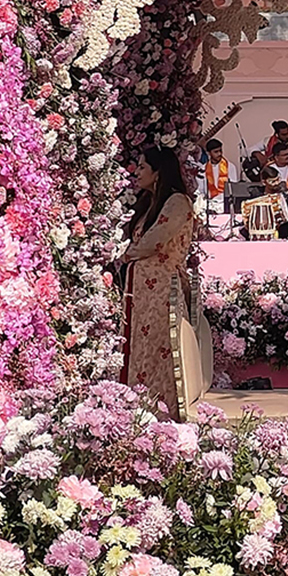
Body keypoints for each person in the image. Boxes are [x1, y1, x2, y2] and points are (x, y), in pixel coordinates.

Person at [122, 146, 195, 412]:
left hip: (161, 292)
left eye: (142, 167)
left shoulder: (177, 202)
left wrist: (125, 255)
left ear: (158, 172)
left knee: (159, 350)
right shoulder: (151, 202)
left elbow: (155, 240)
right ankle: (137, 410)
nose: (137, 172)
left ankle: (162, 413)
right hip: (143, 294)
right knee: (142, 349)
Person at [242, 167, 288, 240]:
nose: (277, 183)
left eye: (277, 179)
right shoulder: (256, 194)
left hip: (283, 232)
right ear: (264, 182)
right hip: (259, 232)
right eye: (272, 181)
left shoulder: (286, 194)